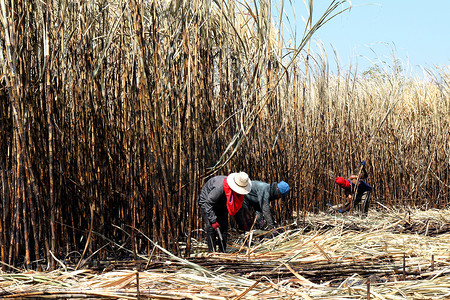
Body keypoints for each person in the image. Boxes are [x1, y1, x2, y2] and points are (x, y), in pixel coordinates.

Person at [198, 171, 252, 252]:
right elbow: (208, 203)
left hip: (221, 203)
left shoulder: (237, 195)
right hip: (207, 202)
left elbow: (237, 209)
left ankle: (222, 252)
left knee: (224, 228)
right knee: (211, 228)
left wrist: (241, 224)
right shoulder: (219, 188)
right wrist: (213, 221)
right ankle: (212, 252)